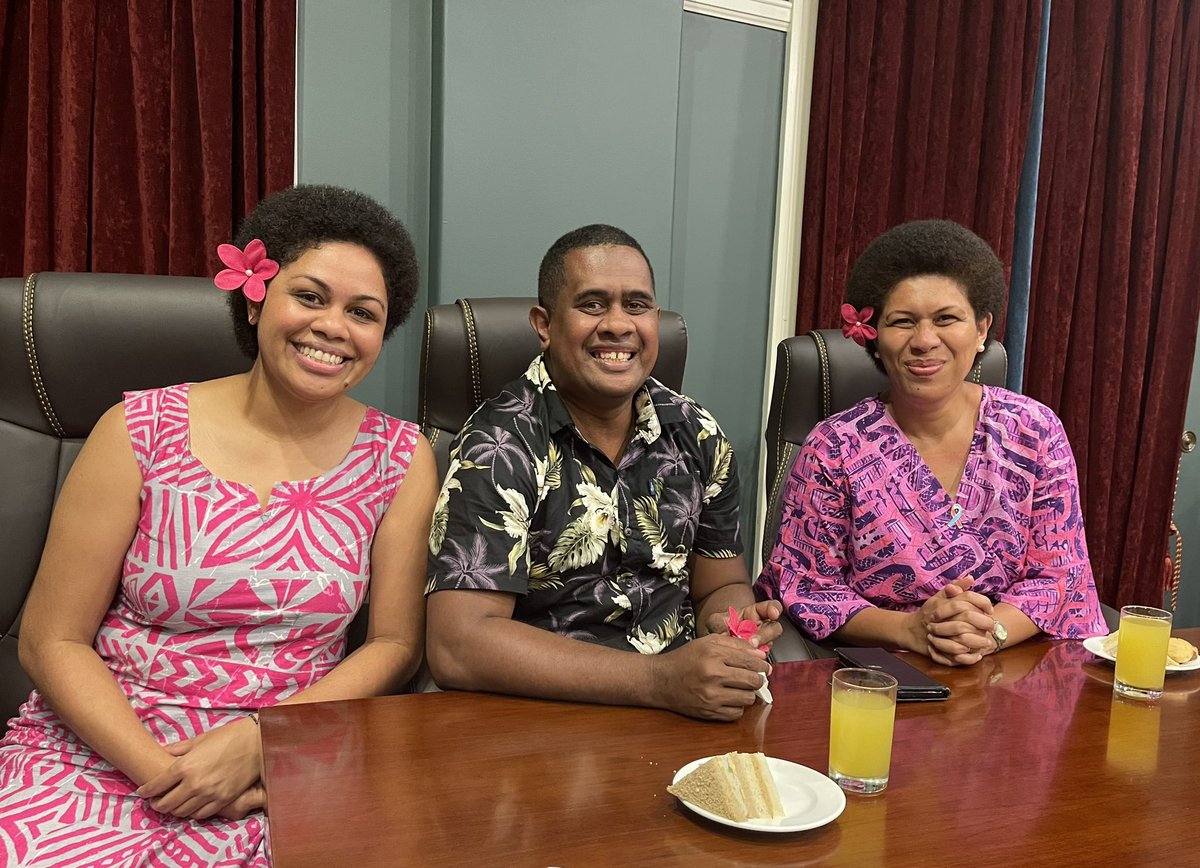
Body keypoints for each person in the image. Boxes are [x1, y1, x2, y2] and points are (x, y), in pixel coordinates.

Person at [0, 184, 438, 865]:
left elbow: (393, 646)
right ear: (256, 295)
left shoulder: (401, 459)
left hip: (290, 755)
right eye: (311, 296)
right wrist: (165, 773)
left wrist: (264, 739)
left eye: (364, 313)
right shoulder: (137, 430)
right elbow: (51, 640)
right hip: (105, 744)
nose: (334, 327)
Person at [425, 224, 780, 721]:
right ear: (544, 324)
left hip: (687, 708)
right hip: (543, 720)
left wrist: (730, 623)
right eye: (592, 304)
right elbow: (459, 646)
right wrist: (660, 681)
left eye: (636, 305)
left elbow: (719, 584)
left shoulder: (697, 433)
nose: (618, 324)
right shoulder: (499, 444)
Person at [756, 220, 1107, 666]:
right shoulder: (835, 448)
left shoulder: (1035, 431)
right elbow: (808, 587)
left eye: (946, 319)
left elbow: (1058, 575)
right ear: (874, 338)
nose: (925, 341)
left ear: (981, 329)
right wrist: (912, 629)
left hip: (1013, 663)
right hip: (883, 674)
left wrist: (987, 633)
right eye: (903, 322)